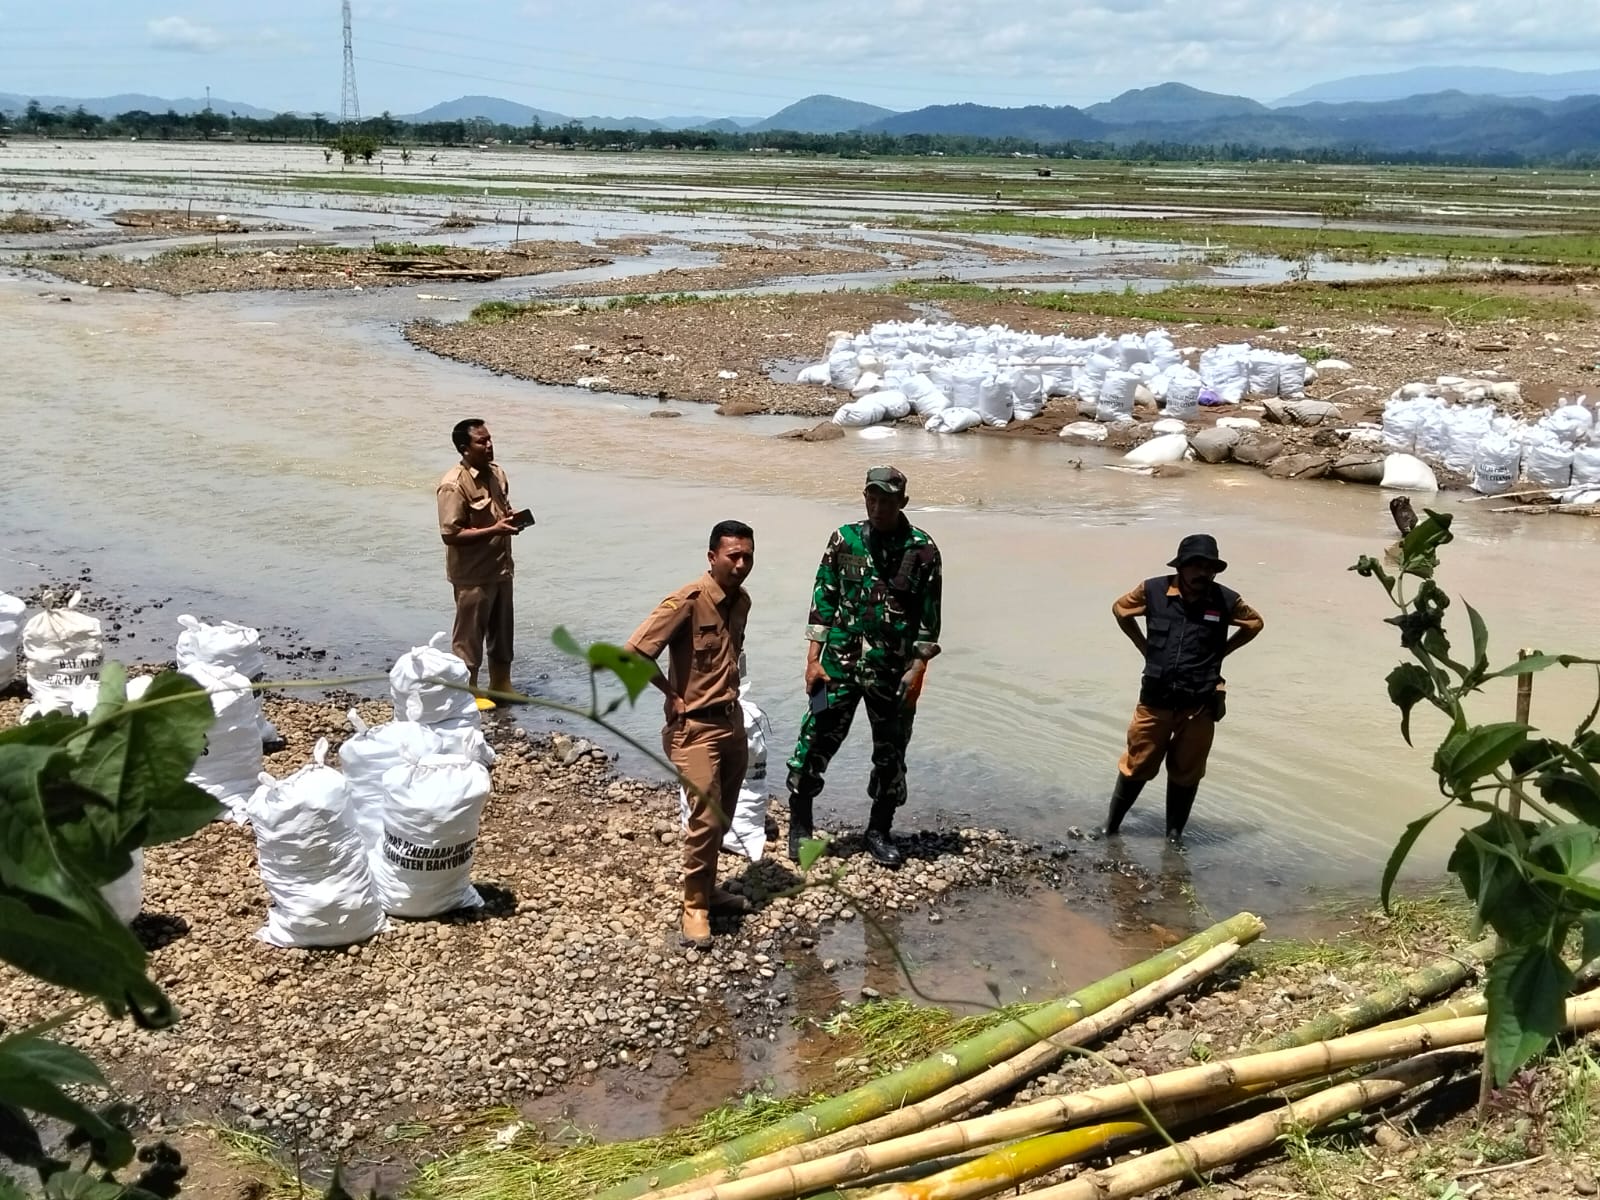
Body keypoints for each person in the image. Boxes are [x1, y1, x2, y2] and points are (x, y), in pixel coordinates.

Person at [785, 466, 942, 869]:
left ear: (903, 502)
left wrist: (918, 669)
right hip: (835, 665)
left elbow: (929, 620)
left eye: (887, 500)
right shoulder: (844, 539)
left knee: (891, 751)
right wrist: (812, 661)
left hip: (892, 670)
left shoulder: (923, 550)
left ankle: (879, 830)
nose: (878, 506)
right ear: (864, 497)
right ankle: (800, 825)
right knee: (814, 734)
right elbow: (823, 598)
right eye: (872, 498)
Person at [625, 520, 757, 949]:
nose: (741, 565)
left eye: (748, 557)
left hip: (731, 720)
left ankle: (710, 889)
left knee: (723, 815)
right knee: (704, 819)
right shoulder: (688, 600)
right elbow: (633, 653)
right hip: (694, 727)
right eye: (733, 556)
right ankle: (694, 906)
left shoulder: (742, 602)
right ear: (712, 557)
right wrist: (671, 695)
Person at [1104, 534, 1264, 846]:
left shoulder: (1226, 600)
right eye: (1196, 566)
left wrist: (1221, 653)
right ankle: (1111, 828)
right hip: (1156, 700)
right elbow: (1120, 610)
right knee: (1137, 765)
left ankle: (1174, 838)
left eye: (1209, 568)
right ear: (1180, 566)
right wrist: (1144, 647)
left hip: (1199, 704)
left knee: (1187, 772)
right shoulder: (1152, 590)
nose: (1203, 573)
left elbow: (1255, 624)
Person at [436, 418, 524, 711]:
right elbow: (450, 534)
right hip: (472, 574)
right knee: (469, 637)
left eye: (489, 439)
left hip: (501, 568)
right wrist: (494, 530)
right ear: (464, 448)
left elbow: (499, 509)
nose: (489, 445)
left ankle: (501, 684)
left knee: (503, 631)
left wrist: (509, 519)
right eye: (481, 441)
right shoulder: (453, 484)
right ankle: (467, 692)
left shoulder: (497, 474)